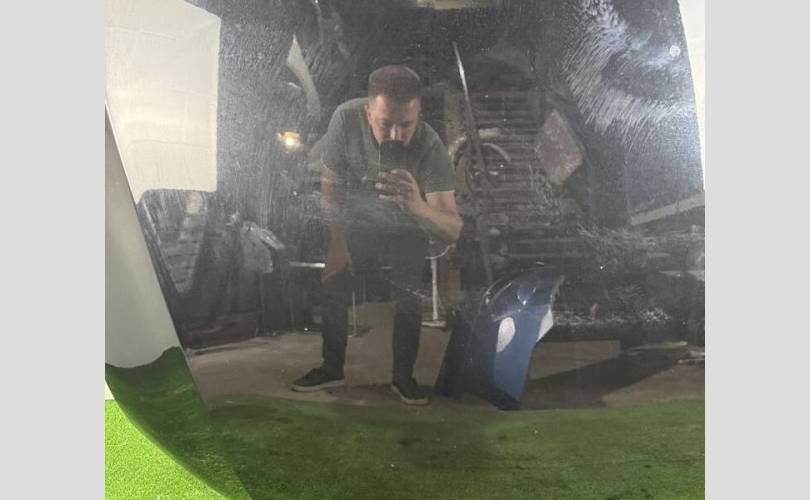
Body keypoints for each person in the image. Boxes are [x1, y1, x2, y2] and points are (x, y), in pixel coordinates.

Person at [291, 65, 462, 405]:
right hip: (357, 220)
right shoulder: (345, 119)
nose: (396, 135)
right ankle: (331, 368)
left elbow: (453, 228)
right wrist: (337, 243)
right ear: (368, 112)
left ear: (419, 114)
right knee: (334, 282)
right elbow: (330, 185)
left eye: (406, 124)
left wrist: (417, 205)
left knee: (408, 296)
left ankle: (403, 378)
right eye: (386, 124)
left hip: (406, 225)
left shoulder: (430, 145)